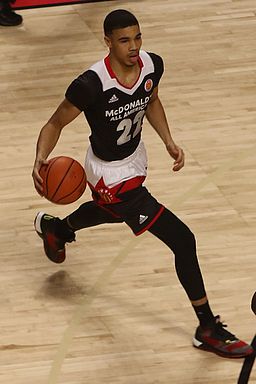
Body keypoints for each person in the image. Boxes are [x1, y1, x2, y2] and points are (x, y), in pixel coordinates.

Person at [32, 9, 254, 359]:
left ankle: (58, 230)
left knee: (113, 214)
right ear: (107, 42)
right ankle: (207, 327)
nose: (133, 46)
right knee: (183, 239)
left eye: (137, 37)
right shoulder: (90, 84)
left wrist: (168, 139)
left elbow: (150, 99)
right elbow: (54, 123)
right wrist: (40, 159)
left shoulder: (152, 65)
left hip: (134, 158)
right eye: (124, 40)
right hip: (109, 175)